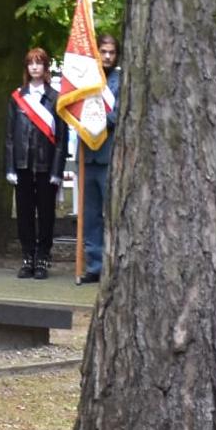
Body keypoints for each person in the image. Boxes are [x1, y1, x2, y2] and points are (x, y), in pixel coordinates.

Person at [4, 47, 68, 280]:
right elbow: (10, 135)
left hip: (46, 165)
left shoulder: (56, 98)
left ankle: (43, 257)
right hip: (22, 164)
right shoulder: (17, 98)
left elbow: (61, 138)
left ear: (45, 67)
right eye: (30, 63)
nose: (34, 67)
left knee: (46, 213)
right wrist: (10, 167)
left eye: (39, 63)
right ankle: (27, 256)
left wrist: (57, 170)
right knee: (24, 213)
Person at [79, 34, 120, 284]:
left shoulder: (120, 81)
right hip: (88, 156)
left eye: (111, 52)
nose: (106, 56)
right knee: (90, 215)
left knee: (111, 214)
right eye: (103, 52)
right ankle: (95, 265)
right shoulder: (85, 81)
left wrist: (96, 119)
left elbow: (118, 114)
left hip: (110, 155)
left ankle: (113, 264)